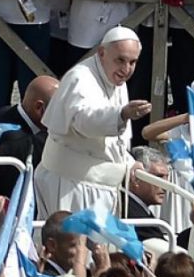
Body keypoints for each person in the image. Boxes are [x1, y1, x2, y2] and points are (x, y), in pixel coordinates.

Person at [33, 26, 151, 218]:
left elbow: (114, 143)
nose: (126, 69)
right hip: (71, 186)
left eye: (133, 62)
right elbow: (84, 121)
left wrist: (129, 163)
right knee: (68, 246)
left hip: (101, 190)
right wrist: (120, 115)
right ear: (102, 53)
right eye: (120, 60)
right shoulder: (80, 78)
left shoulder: (116, 80)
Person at [0, 75, 59, 211]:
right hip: (0, 213)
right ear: (39, 107)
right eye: (59, 110)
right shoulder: (20, 142)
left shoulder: (2, 113)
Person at [124, 145, 170, 242]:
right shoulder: (131, 214)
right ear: (136, 179)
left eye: (167, 178)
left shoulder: (138, 210)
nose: (166, 185)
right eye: (159, 177)